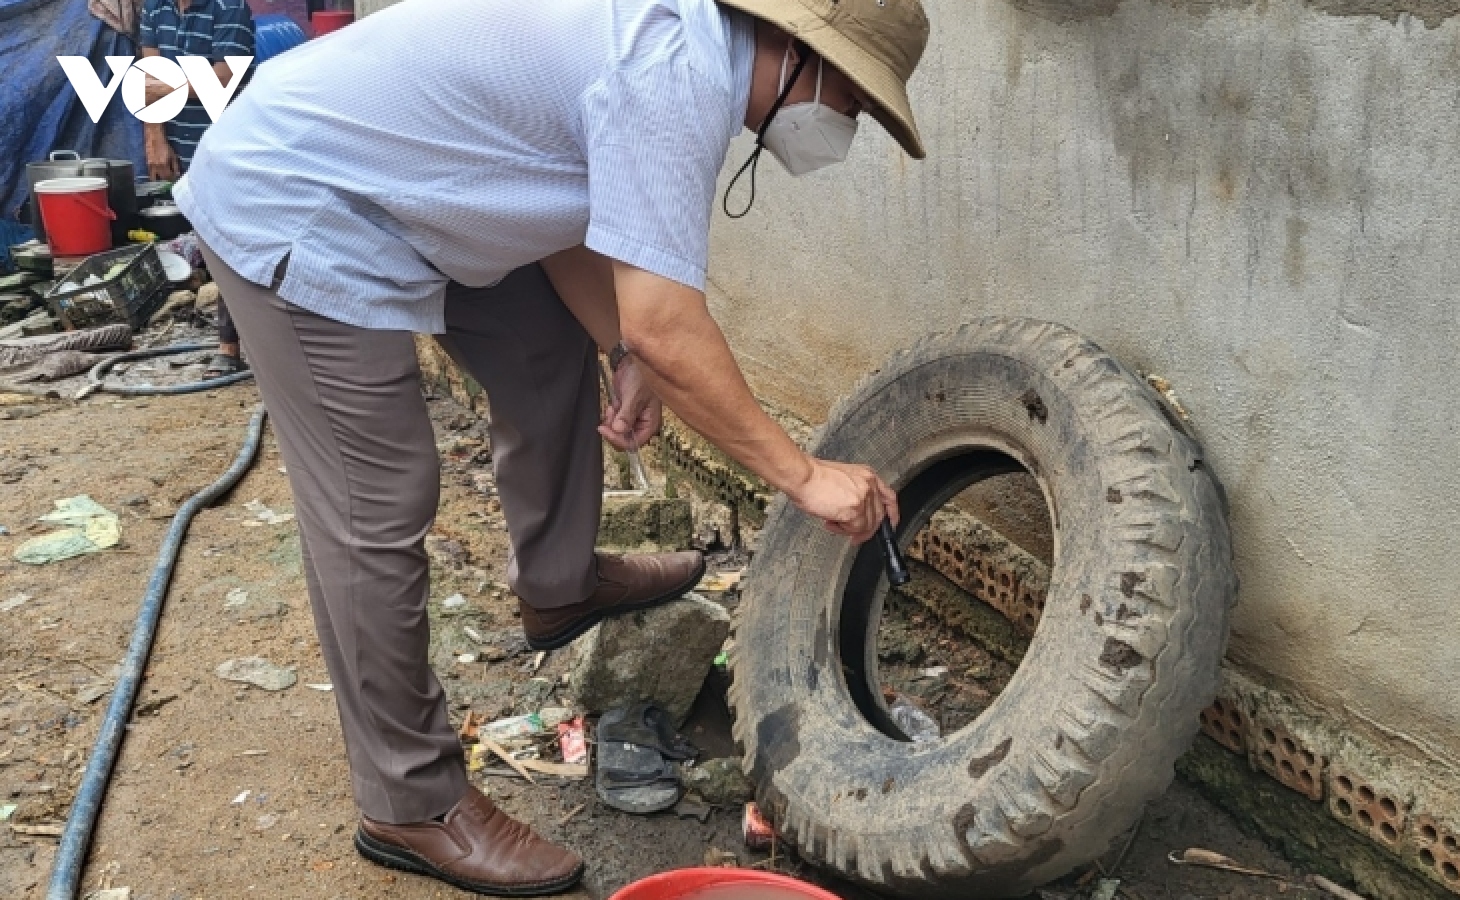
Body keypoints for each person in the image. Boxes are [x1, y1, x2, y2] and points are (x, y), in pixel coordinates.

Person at [174, 0, 928, 894]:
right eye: (856, 101)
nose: (847, 126)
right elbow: (670, 326)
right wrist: (802, 476)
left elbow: (567, 209)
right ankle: (407, 800)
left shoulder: (687, 50)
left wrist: (619, 347)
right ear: (805, 53)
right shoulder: (672, 72)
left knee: (542, 352)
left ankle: (559, 583)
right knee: (374, 501)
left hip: (410, 196)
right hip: (300, 198)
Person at [137, 0, 252, 378]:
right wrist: (154, 136)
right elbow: (145, 81)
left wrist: (163, 89)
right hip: (183, 147)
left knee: (234, 241)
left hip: (229, 145)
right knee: (208, 238)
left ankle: (229, 347)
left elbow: (223, 80)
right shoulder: (155, 7)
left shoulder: (228, 7)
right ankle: (235, 339)